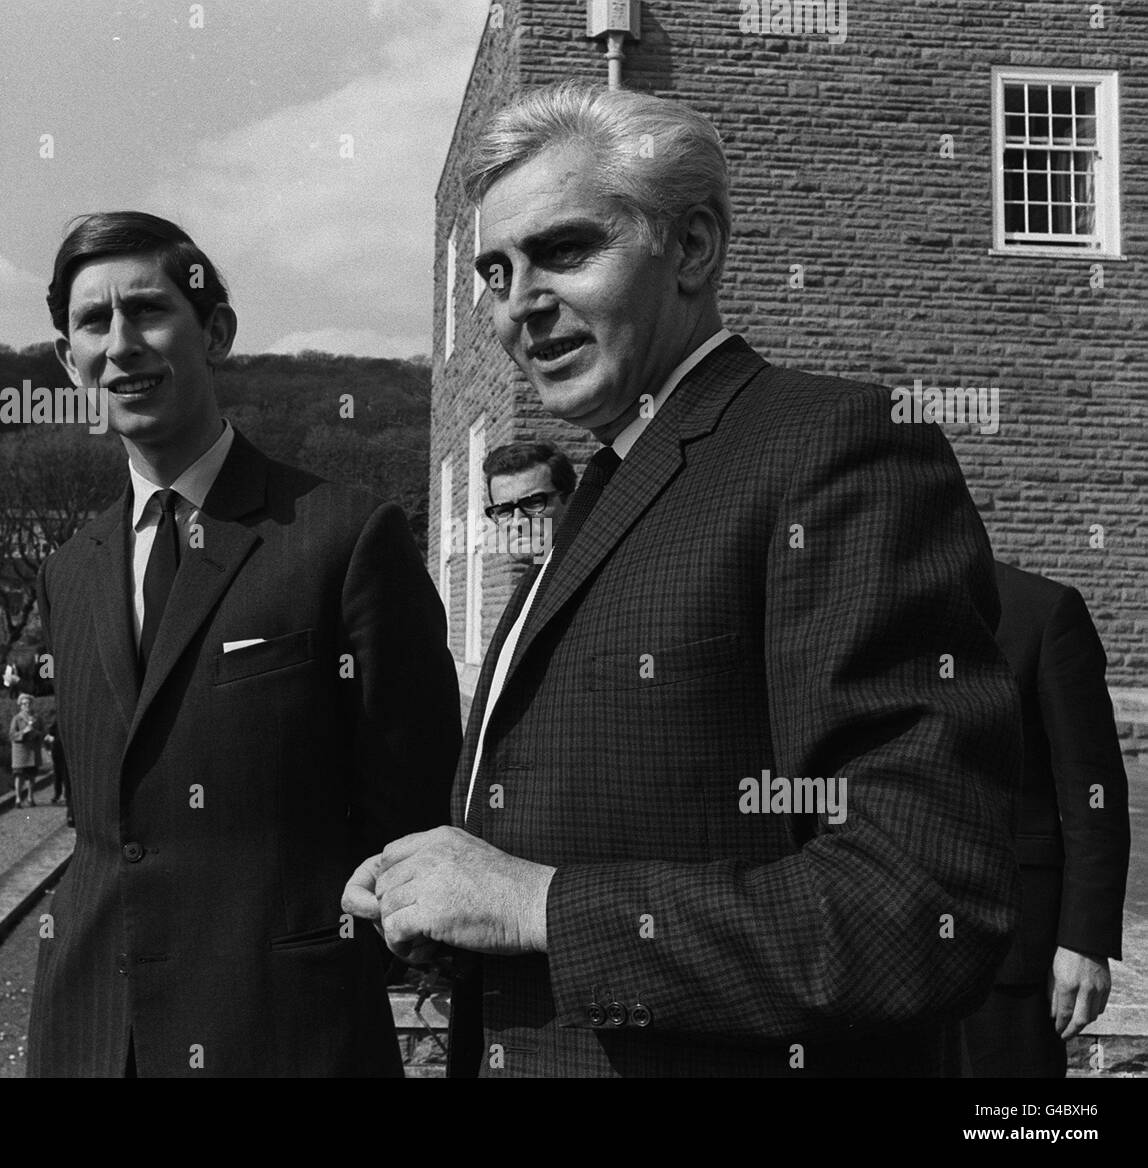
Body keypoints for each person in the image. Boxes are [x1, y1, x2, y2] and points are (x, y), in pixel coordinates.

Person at [344, 80, 1022, 1077]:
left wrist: (532, 904)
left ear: (693, 247)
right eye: (493, 271)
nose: (518, 306)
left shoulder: (828, 452)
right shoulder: (603, 489)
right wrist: (449, 908)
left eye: (564, 251)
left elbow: (918, 904)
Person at [26, 211, 459, 1077]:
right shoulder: (68, 572)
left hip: (286, 1036)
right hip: (90, 1036)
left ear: (215, 331)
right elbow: (100, 828)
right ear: (70, 362)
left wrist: (326, 976)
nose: (121, 346)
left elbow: (410, 807)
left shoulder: (344, 536)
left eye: (147, 311)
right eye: (92, 324)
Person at [963, 561, 1131, 1077]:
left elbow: (1092, 790)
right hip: (874, 942)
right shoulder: (854, 605)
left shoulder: (1041, 609)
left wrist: (1084, 940)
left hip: (1007, 952)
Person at [482, 441, 576, 563]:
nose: (518, 522)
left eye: (533, 503)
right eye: (504, 510)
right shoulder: (534, 579)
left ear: (569, 502)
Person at [8, 692, 42, 808]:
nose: (26, 706)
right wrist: (24, 732)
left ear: (32, 704)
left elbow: (44, 732)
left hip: (33, 752)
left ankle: (30, 797)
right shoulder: (16, 719)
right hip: (20, 753)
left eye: (28, 703)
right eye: (24, 704)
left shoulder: (37, 718)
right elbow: (12, 735)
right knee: (19, 776)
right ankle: (18, 798)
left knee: (32, 776)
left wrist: (37, 733)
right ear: (20, 705)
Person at [42, 719, 72, 825]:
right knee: (63, 777)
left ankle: (61, 797)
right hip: (61, 751)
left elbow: (51, 732)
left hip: (61, 750)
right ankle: (61, 796)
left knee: (62, 777)